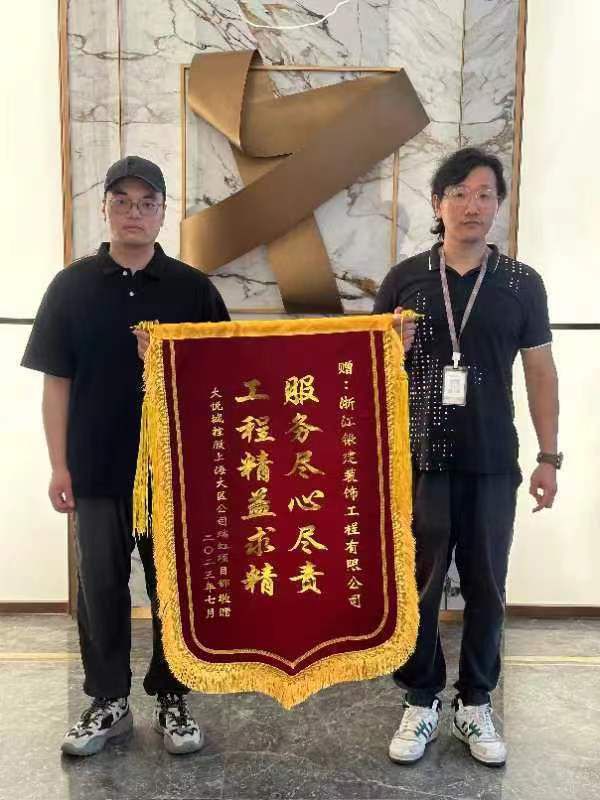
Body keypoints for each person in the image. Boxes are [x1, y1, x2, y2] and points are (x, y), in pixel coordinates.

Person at [22, 156, 230, 757]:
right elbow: (56, 382)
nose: (134, 213)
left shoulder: (192, 288)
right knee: (100, 588)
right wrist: (58, 464)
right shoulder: (71, 286)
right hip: (95, 469)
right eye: (122, 201)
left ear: (163, 213)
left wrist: (165, 362)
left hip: (174, 472)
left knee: (175, 589)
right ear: (105, 208)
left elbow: (223, 379)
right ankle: (108, 700)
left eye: (147, 203)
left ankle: (173, 696)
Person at [376, 147, 560, 767]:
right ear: (437, 203)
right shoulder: (405, 280)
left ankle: (476, 701)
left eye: (484, 194)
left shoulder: (521, 283)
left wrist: (549, 456)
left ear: (498, 205)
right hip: (419, 459)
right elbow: (367, 375)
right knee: (419, 586)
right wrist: (389, 347)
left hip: (491, 459)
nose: (471, 205)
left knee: (488, 585)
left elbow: (540, 370)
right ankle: (420, 697)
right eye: (458, 193)